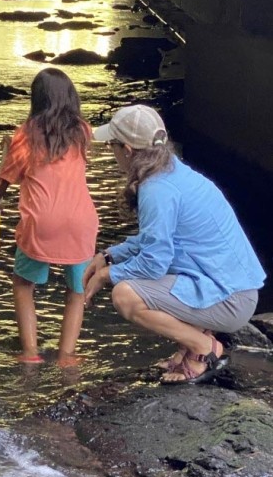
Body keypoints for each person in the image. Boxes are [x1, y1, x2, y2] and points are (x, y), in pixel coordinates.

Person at [83, 104, 265, 384]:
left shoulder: (157, 189)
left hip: (231, 300)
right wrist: (110, 255)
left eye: (112, 146)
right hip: (232, 288)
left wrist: (109, 274)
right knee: (141, 279)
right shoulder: (172, 170)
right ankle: (192, 343)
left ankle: (203, 347)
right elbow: (155, 242)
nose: (111, 152)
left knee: (125, 295)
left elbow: (155, 262)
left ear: (128, 150)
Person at [0, 68, 98, 364]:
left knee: (23, 285)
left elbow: (3, 181)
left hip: (41, 222)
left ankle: (31, 352)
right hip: (80, 221)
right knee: (76, 290)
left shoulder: (26, 135)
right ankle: (66, 355)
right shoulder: (83, 132)